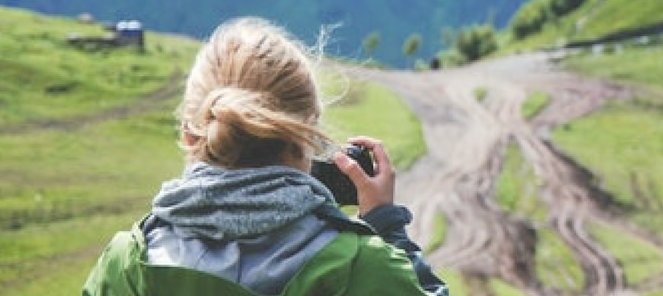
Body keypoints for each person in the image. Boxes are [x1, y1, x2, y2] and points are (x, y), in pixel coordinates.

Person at [82, 18, 448, 295]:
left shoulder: (126, 269)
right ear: (306, 137)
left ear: (189, 133)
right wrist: (386, 226)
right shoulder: (364, 269)